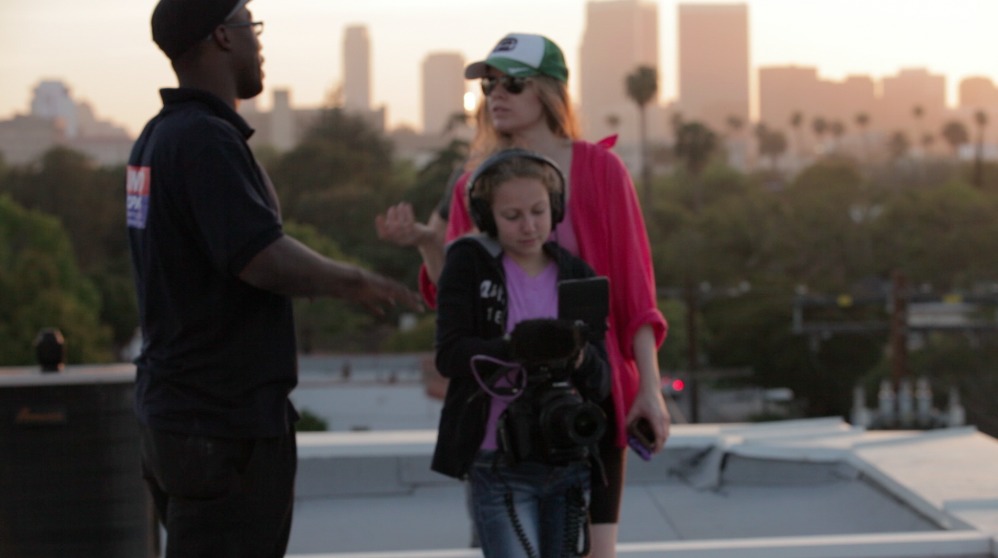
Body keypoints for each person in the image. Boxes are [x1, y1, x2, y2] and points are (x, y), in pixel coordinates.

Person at [127, 1, 422, 556]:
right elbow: (260, 256)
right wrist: (354, 280)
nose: (260, 42)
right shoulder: (204, 140)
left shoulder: (158, 138)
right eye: (250, 26)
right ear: (221, 38)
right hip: (220, 423)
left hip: (178, 415)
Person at [376, 32, 670, 557]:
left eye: (512, 83)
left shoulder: (602, 171)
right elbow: (456, 300)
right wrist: (427, 243)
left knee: (598, 552)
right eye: (489, 85)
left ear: (549, 93)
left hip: (591, 395)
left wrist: (649, 387)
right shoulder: (477, 184)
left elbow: (634, 291)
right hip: (504, 413)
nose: (496, 95)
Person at [433, 148, 610, 557]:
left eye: (538, 211)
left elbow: (601, 383)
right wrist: (517, 348)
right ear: (487, 217)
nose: (529, 226)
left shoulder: (577, 277)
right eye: (512, 216)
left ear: (556, 208)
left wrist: (576, 355)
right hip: (498, 464)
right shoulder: (469, 262)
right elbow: (450, 355)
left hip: (567, 462)